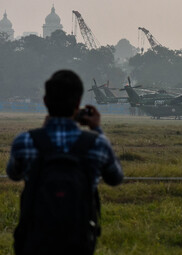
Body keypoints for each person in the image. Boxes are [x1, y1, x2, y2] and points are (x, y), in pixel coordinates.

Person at [6, 70, 123, 255]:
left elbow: (13, 174)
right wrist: (97, 129)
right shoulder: (97, 143)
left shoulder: (25, 141)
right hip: (78, 239)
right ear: (78, 104)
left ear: (45, 101)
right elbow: (115, 178)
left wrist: (43, 133)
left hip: (35, 239)